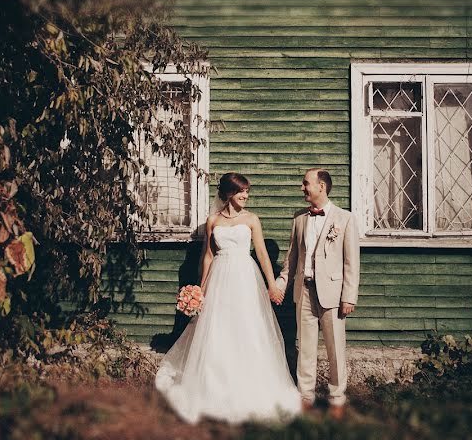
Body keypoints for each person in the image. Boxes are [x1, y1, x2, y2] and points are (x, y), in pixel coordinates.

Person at [154, 172, 301, 424]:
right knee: (218, 329)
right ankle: (214, 385)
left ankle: (251, 386)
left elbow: (263, 255)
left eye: (247, 191)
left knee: (247, 328)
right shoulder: (213, 221)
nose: (246, 195)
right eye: (241, 191)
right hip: (220, 279)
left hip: (245, 277)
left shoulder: (252, 219)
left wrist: (272, 286)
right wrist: (201, 288)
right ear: (228, 194)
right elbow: (208, 256)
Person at [273, 168, 360, 420]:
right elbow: (292, 258)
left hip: (333, 295)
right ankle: (306, 397)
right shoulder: (299, 218)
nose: (302, 188)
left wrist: (349, 296)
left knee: (335, 349)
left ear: (321, 186)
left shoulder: (345, 219)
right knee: (306, 348)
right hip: (305, 291)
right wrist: (281, 283)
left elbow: (351, 262)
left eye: (305, 183)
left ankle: (337, 399)